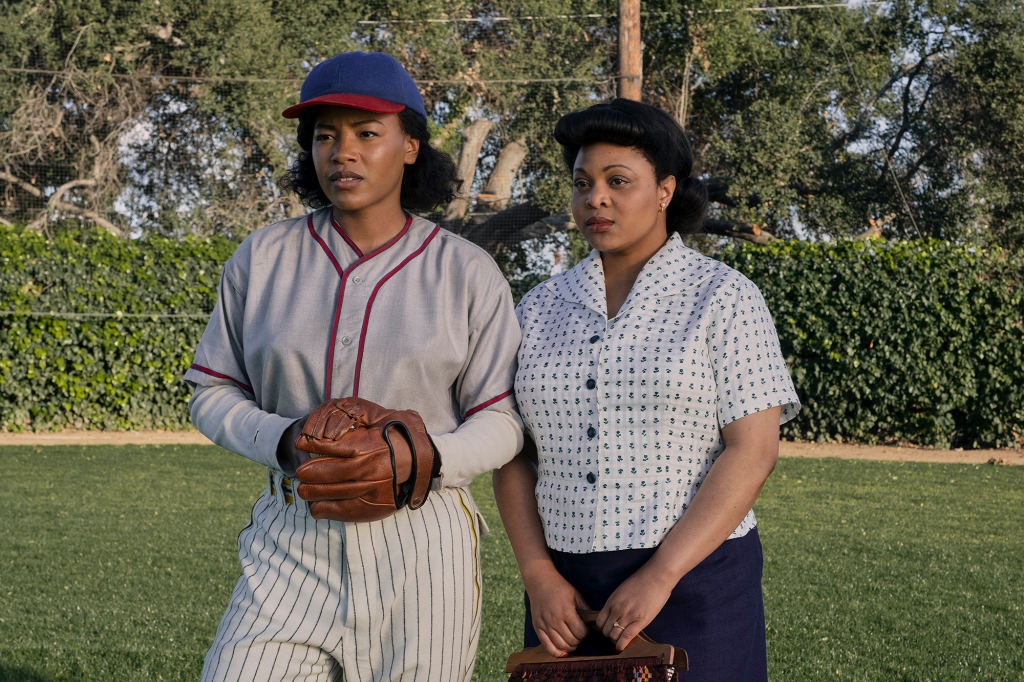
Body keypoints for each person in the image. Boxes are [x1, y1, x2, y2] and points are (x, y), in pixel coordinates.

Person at [186, 51, 523, 682]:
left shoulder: (464, 270)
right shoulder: (264, 257)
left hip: (422, 539)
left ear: (411, 147)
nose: (343, 152)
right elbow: (211, 390)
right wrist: (283, 438)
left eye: (367, 133)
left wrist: (420, 458)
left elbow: (501, 419)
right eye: (325, 136)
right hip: (292, 533)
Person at [493, 98, 801, 681]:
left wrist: (660, 575)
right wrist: (538, 577)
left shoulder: (724, 298)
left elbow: (753, 451)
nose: (595, 199)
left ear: (665, 189)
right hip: (565, 597)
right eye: (582, 183)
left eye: (617, 181)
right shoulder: (537, 308)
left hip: (696, 578)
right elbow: (514, 454)